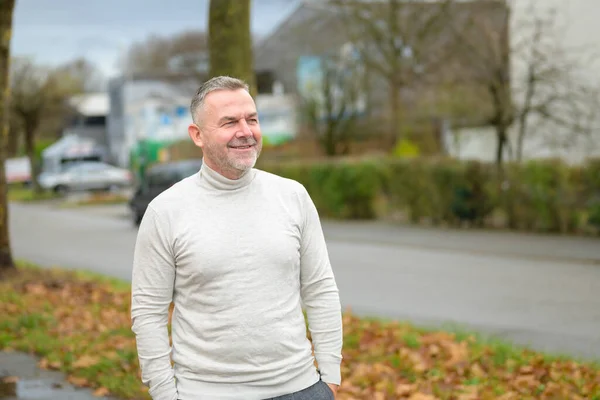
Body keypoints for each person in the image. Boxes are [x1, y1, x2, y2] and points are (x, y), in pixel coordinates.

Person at [131, 76, 343, 400]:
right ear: (197, 135)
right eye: (229, 122)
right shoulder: (165, 212)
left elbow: (320, 288)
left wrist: (329, 377)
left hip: (302, 388)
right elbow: (148, 313)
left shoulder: (292, 196)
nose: (245, 131)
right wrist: (164, 395)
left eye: (252, 119)